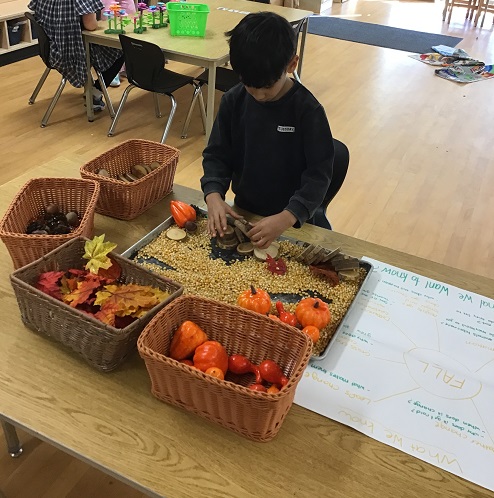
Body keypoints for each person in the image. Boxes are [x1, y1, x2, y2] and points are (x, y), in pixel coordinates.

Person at [201, 12, 349, 250]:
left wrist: (288, 216)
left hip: (292, 221)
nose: (259, 95)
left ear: (291, 64)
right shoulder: (233, 101)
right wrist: (213, 195)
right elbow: (217, 155)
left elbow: (319, 175)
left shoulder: (307, 111)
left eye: (267, 87)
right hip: (245, 212)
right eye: (250, 86)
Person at [28, 0, 125, 111]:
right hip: (72, 55)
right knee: (121, 48)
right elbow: (91, 25)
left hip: (50, 49)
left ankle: (92, 88)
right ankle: (96, 91)